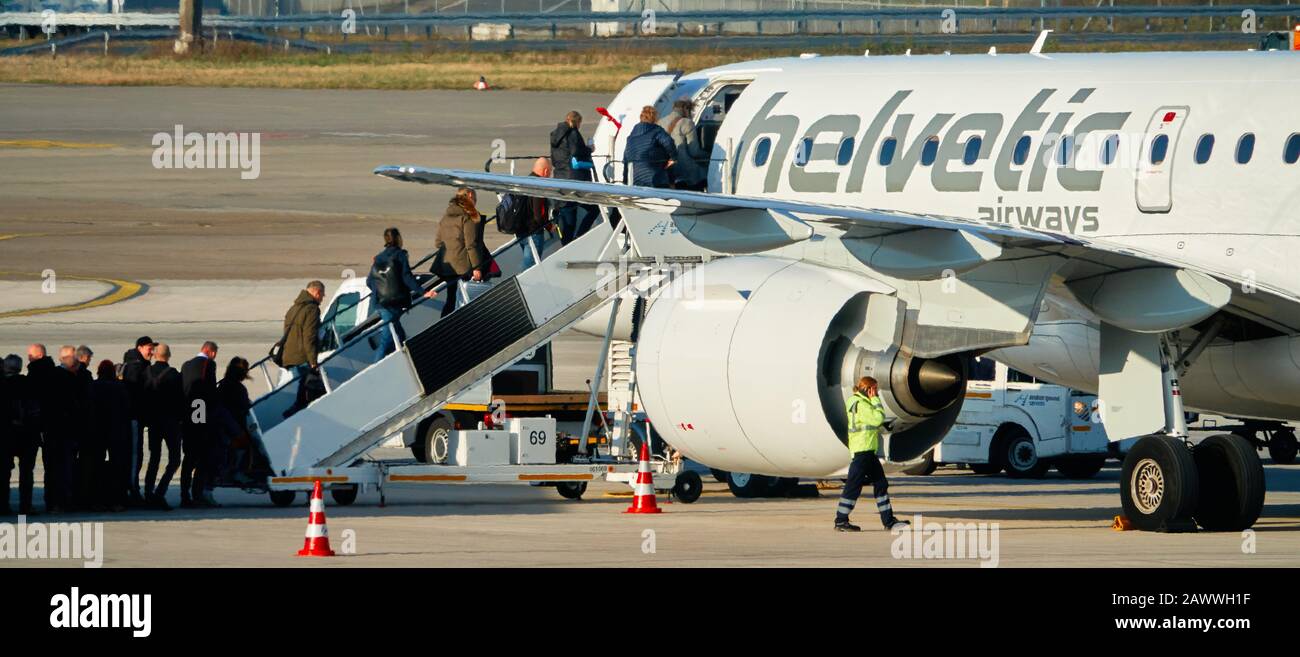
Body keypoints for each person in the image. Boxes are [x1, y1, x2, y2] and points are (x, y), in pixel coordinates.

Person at [835, 376, 909, 532]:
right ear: (867, 389)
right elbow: (877, 419)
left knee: (881, 484)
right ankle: (841, 520)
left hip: (868, 451)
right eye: (875, 389)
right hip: (862, 451)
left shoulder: (859, 402)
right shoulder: (860, 403)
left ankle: (889, 521)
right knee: (853, 486)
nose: (877, 393)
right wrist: (875, 400)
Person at [367, 228, 437, 357]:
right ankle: (375, 368)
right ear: (398, 238)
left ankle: (403, 360)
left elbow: (369, 281)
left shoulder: (378, 258)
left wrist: (382, 290)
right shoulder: (400, 255)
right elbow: (407, 277)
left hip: (380, 303)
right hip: (394, 303)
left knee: (399, 336)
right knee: (387, 339)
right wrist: (423, 292)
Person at [26, 344, 66, 513]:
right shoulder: (57, 373)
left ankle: (28, 503)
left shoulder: (34, 374)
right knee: (54, 466)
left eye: (31, 354)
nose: (29, 357)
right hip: (56, 425)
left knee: (28, 467)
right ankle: (54, 502)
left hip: (39, 425)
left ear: (39, 355)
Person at [143, 343, 184, 510]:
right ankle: (160, 492)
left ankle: (148, 493)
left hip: (153, 422)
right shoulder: (174, 375)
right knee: (174, 459)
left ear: (154, 354)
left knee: (154, 458)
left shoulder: (146, 373)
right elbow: (182, 399)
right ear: (169, 355)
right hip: (170, 422)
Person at [433, 187, 485, 317]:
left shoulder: (446, 216)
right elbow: (471, 245)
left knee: (451, 298)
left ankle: (444, 325)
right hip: (463, 266)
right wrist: (477, 267)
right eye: (475, 198)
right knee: (466, 298)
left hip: (447, 266)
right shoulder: (467, 216)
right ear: (470, 195)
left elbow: (438, 243)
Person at [550, 111, 599, 245]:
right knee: (594, 209)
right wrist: (589, 149)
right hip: (574, 180)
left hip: (560, 179)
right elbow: (576, 151)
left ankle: (567, 246)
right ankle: (579, 237)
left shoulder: (554, 135)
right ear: (577, 122)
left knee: (568, 220)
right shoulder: (572, 133)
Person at [180, 341, 219, 508]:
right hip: (199, 415)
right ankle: (197, 494)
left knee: (188, 459)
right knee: (202, 457)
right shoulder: (208, 365)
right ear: (210, 352)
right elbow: (208, 393)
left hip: (186, 416)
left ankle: (184, 494)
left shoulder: (186, 365)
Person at [1, 354, 40, 516]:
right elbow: (36, 410)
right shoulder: (28, 384)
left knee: (3, 473)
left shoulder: (2, 385)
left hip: (6, 435)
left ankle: (3, 505)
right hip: (27, 435)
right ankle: (26, 506)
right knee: (26, 473)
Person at [89, 359, 130, 512]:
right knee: (117, 467)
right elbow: (127, 409)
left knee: (96, 466)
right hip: (116, 431)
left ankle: (96, 500)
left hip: (97, 432)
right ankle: (116, 501)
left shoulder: (92, 386)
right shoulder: (119, 387)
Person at [120, 336, 156, 506]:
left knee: (133, 454)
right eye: (149, 347)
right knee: (135, 455)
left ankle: (129, 488)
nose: (152, 351)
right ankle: (132, 490)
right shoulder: (136, 367)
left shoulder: (135, 364)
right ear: (140, 348)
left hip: (134, 418)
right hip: (134, 418)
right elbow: (138, 394)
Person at [281, 281, 325, 416]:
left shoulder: (294, 308)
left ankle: (297, 410)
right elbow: (309, 336)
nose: (323, 298)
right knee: (314, 387)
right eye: (323, 295)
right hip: (302, 355)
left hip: (290, 354)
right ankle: (296, 412)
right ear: (317, 293)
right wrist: (313, 361)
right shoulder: (312, 310)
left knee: (304, 384)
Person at [216, 357, 256, 486]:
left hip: (223, 425)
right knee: (248, 443)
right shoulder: (238, 388)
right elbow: (245, 407)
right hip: (232, 426)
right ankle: (238, 473)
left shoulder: (223, 384)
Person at [659, 99, 708, 190]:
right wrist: (708, 156)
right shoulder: (687, 123)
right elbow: (694, 152)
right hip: (685, 171)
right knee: (705, 175)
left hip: (668, 170)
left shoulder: (660, 122)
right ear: (686, 109)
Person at [624, 105, 676, 189]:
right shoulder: (656, 130)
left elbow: (626, 159)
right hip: (655, 179)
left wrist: (625, 182)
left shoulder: (631, 137)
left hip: (635, 179)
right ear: (654, 118)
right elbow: (668, 142)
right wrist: (673, 158)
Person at [517, 157, 554, 270]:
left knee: (528, 264)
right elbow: (539, 215)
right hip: (534, 233)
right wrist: (550, 226)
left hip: (521, 232)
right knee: (529, 268)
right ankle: (517, 287)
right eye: (550, 173)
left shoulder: (526, 181)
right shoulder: (538, 186)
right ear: (546, 171)